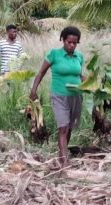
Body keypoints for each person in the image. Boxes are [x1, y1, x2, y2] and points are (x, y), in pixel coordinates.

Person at [29, 26, 84, 167]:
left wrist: (94, 85)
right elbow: (41, 73)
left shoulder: (79, 57)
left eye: (75, 43)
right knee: (63, 127)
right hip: (59, 96)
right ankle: (63, 161)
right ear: (63, 40)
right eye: (69, 42)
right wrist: (33, 90)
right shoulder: (54, 54)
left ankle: (63, 153)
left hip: (76, 96)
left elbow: (79, 75)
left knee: (70, 128)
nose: (72, 45)